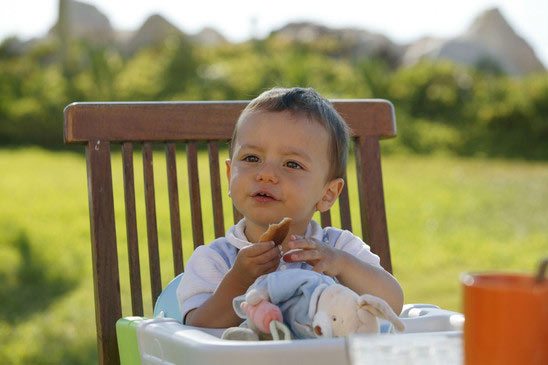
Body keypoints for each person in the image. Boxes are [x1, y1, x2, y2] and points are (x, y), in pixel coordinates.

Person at [177, 87, 403, 328]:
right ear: (230, 174)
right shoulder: (215, 260)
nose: (266, 174)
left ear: (327, 194)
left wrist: (342, 264)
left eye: (292, 164)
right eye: (252, 158)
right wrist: (238, 280)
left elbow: (393, 304)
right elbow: (197, 330)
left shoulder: (338, 248)